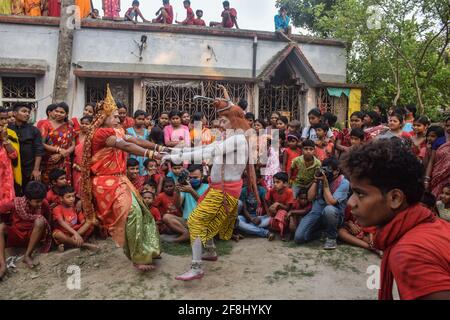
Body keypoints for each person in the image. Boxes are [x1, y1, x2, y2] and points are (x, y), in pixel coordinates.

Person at [162, 94, 257, 281]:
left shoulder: (237, 139)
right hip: (218, 189)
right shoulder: (229, 137)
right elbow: (202, 149)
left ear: (233, 120)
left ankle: (196, 268)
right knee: (202, 218)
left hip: (224, 191)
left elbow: (209, 152)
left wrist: (175, 157)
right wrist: (174, 151)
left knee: (196, 221)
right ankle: (211, 251)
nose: (219, 123)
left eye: (223, 120)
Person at [341, 138, 450, 300]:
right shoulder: (432, 224)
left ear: (395, 198)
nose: (351, 203)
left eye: (360, 194)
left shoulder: (410, 252)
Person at [81, 85, 164, 272]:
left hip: (120, 180)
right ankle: (138, 257)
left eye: (119, 115)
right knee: (132, 214)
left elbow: (135, 141)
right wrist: (152, 155)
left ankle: (150, 250)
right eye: (115, 116)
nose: (119, 118)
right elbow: (125, 146)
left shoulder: (116, 130)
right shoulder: (102, 133)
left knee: (144, 212)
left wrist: (160, 148)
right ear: (103, 118)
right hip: (106, 183)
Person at [294, 157, 350, 250]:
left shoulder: (344, 183)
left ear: (337, 171)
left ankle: (331, 238)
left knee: (329, 209)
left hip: (334, 216)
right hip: (317, 213)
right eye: (324, 168)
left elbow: (330, 202)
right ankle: (322, 233)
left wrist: (325, 183)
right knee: (299, 238)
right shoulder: (321, 178)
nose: (326, 172)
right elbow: (310, 197)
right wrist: (316, 180)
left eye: (329, 169)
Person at [0, 182, 52, 280]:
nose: (40, 204)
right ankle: (3, 265)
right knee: (1, 227)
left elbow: (48, 220)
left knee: (40, 220)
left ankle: (27, 255)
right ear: (28, 199)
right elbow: (2, 213)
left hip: (33, 236)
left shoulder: (44, 204)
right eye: (37, 201)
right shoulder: (14, 204)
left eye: (41, 200)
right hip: (16, 234)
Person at [9, 103, 44, 196]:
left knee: (29, 194)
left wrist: (36, 170)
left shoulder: (34, 130)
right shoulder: (8, 129)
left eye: (29, 112)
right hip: (12, 168)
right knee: (13, 194)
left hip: (29, 170)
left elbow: (39, 150)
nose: (27, 114)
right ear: (14, 113)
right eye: (24, 111)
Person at [38, 102, 75, 184]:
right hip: (49, 161)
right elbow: (41, 143)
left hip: (64, 161)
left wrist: (62, 154)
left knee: (64, 186)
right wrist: (58, 150)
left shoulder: (70, 127)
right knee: (49, 184)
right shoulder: (46, 125)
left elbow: (73, 144)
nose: (58, 114)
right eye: (56, 111)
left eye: (62, 112)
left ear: (66, 114)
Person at [52, 186, 97, 252]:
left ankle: (68, 244)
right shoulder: (57, 209)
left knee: (90, 222)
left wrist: (86, 222)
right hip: (65, 232)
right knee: (57, 234)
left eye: (73, 196)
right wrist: (76, 234)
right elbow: (61, 222)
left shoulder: (75, 207)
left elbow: (82, 221)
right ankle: (83, 245)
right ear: (61, 198)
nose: (72, 199)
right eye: (68, 197)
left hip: (76, 231)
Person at [237, 173, 274, 241]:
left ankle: (249, 228)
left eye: (252, 179)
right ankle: (265, 232)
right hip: (247, 217)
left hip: (260, 218)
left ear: (257, 181)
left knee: (270, 220)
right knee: (237, 220)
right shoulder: (243, 191)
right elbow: (244, 210)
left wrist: (268, 217)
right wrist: (252, 219)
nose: (249, 182)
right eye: (247, 180)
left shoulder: (262, 190)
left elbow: (267, 208)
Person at [0, 107, 19, 203]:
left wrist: (5, 140)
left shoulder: (9, 134)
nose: (4, 122)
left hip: (6, 181)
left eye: (5, 118)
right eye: (1, 119)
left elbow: (14, 155)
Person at [424, 125, 449, 197]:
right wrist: (426, 180)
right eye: (447, 125)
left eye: (432, 136)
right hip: (436, 177)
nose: (429, 138)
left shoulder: (444, 143)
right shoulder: (437, 144)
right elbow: (428, 163)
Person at [72, 116, 93, 197]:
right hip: (75, 167)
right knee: (75, 187)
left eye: (87, 124)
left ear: (91, 125)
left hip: (87, 168)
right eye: (82, 123)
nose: (84, 125)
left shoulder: (92, 137)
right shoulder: (76, 135)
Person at [127, 110, 150, 176]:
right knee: (133, 174)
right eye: (139, 119)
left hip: (143, 156)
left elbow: (148, 144)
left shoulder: (147, 132)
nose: (141, 121)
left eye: (143, 119)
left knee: (143, 174)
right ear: (134, 119)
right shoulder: (129, 131)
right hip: (133, 155)